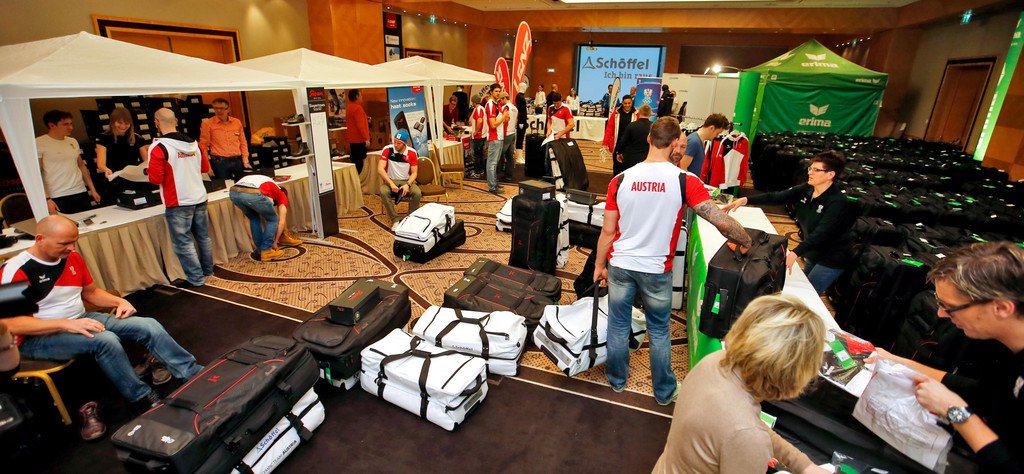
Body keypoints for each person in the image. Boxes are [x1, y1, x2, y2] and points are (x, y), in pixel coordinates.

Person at [594, 117, 752, 406]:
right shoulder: (683, 180)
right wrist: (746, 241)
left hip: (621, 264)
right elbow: (720, 221)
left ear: (648, 139)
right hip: (656, 270)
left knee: (618, 324)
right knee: (658, 330)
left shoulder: (621, 179)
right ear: (676, 142)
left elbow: (607, 231)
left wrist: (598, 266)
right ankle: (664, 392)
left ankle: (617, 380)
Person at [1, 216, 204, 412]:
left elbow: (91, 293)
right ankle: (141, 397)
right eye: (64, 243)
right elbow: (10, 324)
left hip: (79, 319)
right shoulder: (14, 270)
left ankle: (192, 372)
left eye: (74, 241)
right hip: (35, 338)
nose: (72, 248)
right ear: (40, 239)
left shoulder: (72, 257)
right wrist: (66, 324)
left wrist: (119, 301)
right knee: (106, 340)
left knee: (148, 325)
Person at [874, 242, 1024, 473]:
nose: (940, 314)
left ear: (1002, 308)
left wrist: (954, 410)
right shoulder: (1003, 346)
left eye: (950, 307)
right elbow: (984, 392)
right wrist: (900, 362)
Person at [654, 295, 828, 473]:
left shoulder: (716, 360)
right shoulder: (747, 435)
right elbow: (745, 433)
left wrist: (804, 465)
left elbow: (745, 428)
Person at [722, 151, 854, 294]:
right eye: (810, 168)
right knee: (804, 285)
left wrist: (796, 252)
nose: (810, 172)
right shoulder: (808, 188)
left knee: (808, 293)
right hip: (813, 250)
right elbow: (777, 197)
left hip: (833, 256)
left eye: (816, 170)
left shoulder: (838, 202)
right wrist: (746, 200)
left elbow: (822, 233)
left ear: (830, 174)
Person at [149, 108, 214, 288]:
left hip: (177, 201)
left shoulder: (158, 147)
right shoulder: (195, 144)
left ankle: (196, 278)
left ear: (156, 122)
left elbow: (155, 178)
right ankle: (208, 270)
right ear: (176, 121)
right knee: (203, 237)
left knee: (183, 243)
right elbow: (204, 168)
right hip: (199, 197)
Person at [37, 110, 101, 215]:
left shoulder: (72, 141)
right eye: (65, 124)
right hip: (57, 195)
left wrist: (92, 189)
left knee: (89, 221)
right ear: (52, 125)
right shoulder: (39, 143)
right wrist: (46, 198)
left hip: (79, 191)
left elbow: (81, 166)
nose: (70, 127)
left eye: (71, 124)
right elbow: (37, 173)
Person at [229, 174, 302, 262]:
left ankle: (261, 249)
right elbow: (281, 221)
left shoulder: (267, 185)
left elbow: (246, 219)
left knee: (253, 218)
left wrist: (253, 240)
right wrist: (275, 242)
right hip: (252, 193)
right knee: (273, 219)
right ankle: (267, 250)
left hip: (233, 193)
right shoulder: (281, 194)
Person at [95, 106, 149, 203]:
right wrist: (106, 169)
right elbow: (100, 163)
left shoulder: (137, 138)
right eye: (119, 122)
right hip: (115, 181)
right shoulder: (103, 138)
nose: (123, 126)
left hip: (134, 180)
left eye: (126, 123)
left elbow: (147, 161)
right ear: (112, 122)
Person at [378, 130, 421, 230]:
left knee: (417, 193)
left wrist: (408, 184)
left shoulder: (412, 152)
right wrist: (391, 183)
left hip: (406, 180)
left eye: (398, 143)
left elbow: (414, 173)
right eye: (394, 142)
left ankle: (409, 219)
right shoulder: (387, 149)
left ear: (405, 143)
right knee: (383, 192)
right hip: (391, 180)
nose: (395, 145)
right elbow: (380, 169)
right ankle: (395, 220)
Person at [199, 98, 250, 180]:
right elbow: (203, 146)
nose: (219, 111)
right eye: (216, 108)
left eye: (221, 108)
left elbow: (243, 142)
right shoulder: (207, 124)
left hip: (237, 160)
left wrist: (245, 160)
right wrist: (208, 166)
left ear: (228, 109)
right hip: (220, 162)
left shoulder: (237, 122)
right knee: (223, 186)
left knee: (241, 184)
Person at [681, 113, 729, 178]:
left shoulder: (699, 141)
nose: (717, 136)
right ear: (712, 128)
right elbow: (682, 168)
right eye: (717, 133)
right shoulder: (694, 142)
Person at [613, 104, 653, 176]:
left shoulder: (632, 125)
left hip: (631, 159)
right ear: (650, 114)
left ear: (639, 112)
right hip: (647, 158)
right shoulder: (653, 127)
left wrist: (619, 152)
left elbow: (623, 141)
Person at [484, 83, 510, 194]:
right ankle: (492, 186)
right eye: (496, 91)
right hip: (494, 137)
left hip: (499, 136)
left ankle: (494, 182)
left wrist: (505, 118)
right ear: (491, 92)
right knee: (492, 163)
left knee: (495, 162)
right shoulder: (490, 105)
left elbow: (499, 121)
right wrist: (503, 117)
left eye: (499, 91)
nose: (498, 93)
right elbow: (493, 124)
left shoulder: (496, 104)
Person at [602, 94, 636, 163]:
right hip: (617, 144)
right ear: (622, 103)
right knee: (616, 166)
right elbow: (609, 129)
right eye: (625, 103)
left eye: (629, 103)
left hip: (630, 146)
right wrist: (605, 143)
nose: (627, 105)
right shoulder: (616, 113)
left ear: (632, 103)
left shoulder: (636, 114)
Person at [345, 89, 371, 174]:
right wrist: (366, 138)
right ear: (357, 96)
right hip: (359, 139)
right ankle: (359, 179)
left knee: (355, 160)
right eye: (360, 95)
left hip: (352, 139)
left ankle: (356, 178)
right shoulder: (358, 108)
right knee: (360, 162)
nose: (362, 97)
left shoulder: (349, 107)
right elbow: (360, 126)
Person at [498, 91, 518, 183]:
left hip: (505, 133)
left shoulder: (505, 107)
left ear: (504, 98)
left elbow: (504, 119)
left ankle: (496, 175)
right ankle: (508, 175)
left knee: (499, 155)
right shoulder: (515, 108)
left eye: (500, 100)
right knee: (510, 156)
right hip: (512, 133)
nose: (500, 102)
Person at [468, 95, 486, 179]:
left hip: (479, 135)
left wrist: (476, 131)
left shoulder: (478, 109)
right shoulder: (482, 108)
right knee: (480, 154)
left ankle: (477, 172)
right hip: (482, 135)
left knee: (477, 155)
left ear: (474, 102)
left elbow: (479, 121)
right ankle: (481, 170)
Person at [515, 82, 529, 151]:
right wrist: (521, 121)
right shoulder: (520, 97)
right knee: (520, 137)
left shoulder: (520, 96)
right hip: (521, 120)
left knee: (521, 137)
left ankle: (519, 152)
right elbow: (521, 110)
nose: (525, 88)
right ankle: (518, 153)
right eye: (524, 87)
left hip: (522, 119)